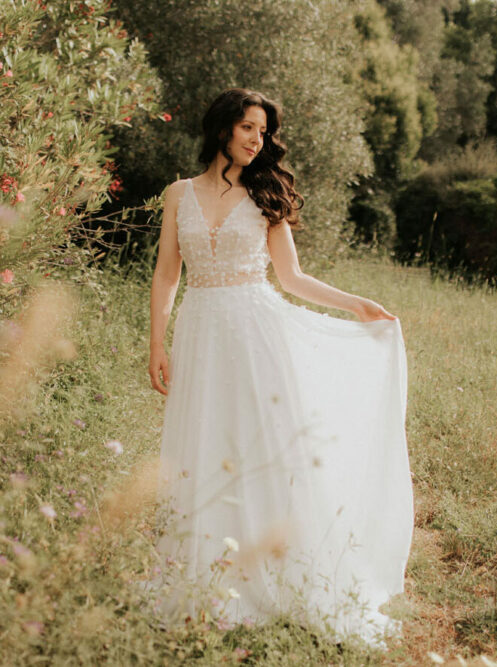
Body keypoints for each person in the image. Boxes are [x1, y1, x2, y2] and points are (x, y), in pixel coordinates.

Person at [147, 88, 414, 648]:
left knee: (263, 450)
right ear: (222, 128)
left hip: (255, 331)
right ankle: (206, 579)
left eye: (262, 131)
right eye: (247, 127)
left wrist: (357, 304)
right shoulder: (178, 194)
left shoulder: (264, 195)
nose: (255, 139)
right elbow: (168, 273)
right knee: (203, 445)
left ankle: (274, 573)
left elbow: (290, 278)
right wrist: (157, 341)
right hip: (200, 331)